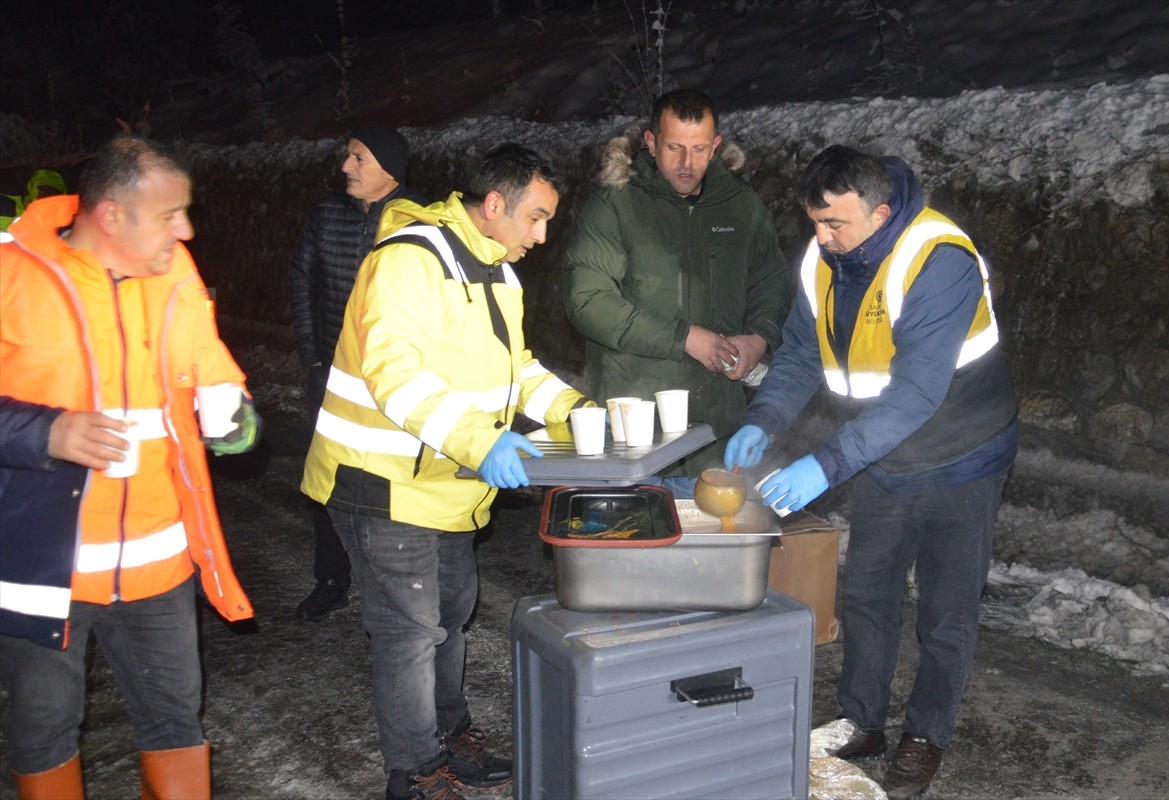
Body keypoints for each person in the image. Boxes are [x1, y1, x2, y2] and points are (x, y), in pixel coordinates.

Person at [725, 145, 1017, 800]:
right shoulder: (821, 261)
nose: (823, 239)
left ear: (881, 213)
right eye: (816, 224)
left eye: (837, 225)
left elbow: (915, 395)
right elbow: (802, 351)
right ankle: (862, 720)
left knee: (945, 608)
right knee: (868, 591)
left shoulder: (937, 259)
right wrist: (765, 419)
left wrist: (823, 464)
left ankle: (925, 733)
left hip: (963, 453)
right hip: (881, 452)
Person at [300, 143, 591, 800]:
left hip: (445, 486)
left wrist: (580, 413)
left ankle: (447, 736)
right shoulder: (409, 261)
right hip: (378, 481)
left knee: (453, 612)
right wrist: (477, 442)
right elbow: (393, 373)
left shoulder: (497, 271)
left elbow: (517, 373)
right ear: (494, 206)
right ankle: (414, 769)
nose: (542, 236)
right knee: (410, 630)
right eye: (536, 218)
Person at [0, 135, 259, 799]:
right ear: (111, 216)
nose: (188, 229)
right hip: (45, 567)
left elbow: (207, 362)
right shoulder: (10, 272)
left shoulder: (174, 269)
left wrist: (234, 412)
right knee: (44, 731)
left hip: (159, 563)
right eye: (171, 214)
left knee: (174, 721)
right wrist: (44, 431)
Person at [563, 88, 789, 494]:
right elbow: (587, 301)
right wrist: (683, 337)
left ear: (716, 145)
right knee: (631, 553)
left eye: (700, 149)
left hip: (716, 432)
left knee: (706, 554)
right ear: (650, 142)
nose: (688, 163)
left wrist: (759, 337)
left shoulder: (740, 204)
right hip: (634, 430)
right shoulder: (616, 203)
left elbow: (770, 277)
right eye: (674, 148)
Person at [289, 125, 425, 621]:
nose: (346, 166)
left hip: (397, 378)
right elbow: (302, 279)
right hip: (332, 374)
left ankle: (393, 579)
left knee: (392, 480)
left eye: (358, 158)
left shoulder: (420, 218)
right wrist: (311, 355)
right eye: (348, 155)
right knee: (328, 480)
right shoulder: (327, 214)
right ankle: (331, 578)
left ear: (387, 167)